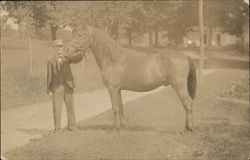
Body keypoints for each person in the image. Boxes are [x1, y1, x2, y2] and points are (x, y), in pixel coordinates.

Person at [47, 39, 84, 133]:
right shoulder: (50, 61)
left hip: (68, 85)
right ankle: (57, 129)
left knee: (70, 106)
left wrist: (81, 53)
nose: (59, 48)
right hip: (57, 87)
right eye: (57, 46)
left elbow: (76, 59)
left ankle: (72, 126)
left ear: (62, 48)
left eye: (61, 46)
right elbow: (49, 76)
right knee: (56, 108)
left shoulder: (67, 57)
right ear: (54, 48)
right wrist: (49, 90)